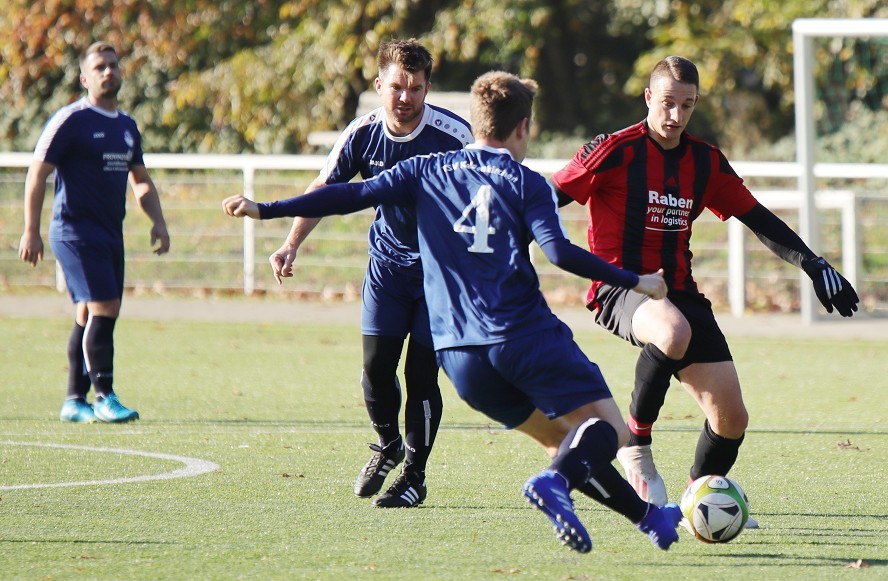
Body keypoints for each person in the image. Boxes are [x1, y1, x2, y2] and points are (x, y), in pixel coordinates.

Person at [223, 71, 683, 553]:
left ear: (476, 120)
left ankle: (650, 519)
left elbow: (349, 195)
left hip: (459, 356)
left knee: (562, 444)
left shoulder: (427, 169)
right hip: (521, 335)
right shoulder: (529, 184)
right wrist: (639, 281)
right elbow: (560, 254)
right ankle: (553, 486)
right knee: (608, 432)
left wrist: (265, 209)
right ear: (523, 128)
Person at [552, 56, 859, 524]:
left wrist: (812, 263)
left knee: (731, 419)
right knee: (671, 332)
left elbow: (756, 217)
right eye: (669, 103)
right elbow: (548, 196)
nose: (676, 116)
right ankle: (635, 446)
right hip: (622, 287)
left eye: (688, 106)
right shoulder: (614, 150)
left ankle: (701, 500)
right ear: (649, 98)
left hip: (681, 291)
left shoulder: (704, 160)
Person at [267, 39, 473, 508]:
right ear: (380, 86)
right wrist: (290, 242)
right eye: (397, 87)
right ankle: (387, 445)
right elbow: (324, 189)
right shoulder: (362, 133)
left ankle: (415, 475)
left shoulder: (455, 136)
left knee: (422, 376)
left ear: (428, 89)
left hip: (441, 277)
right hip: (387, 269)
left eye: (416, 88)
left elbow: (491, 192)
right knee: (376, 369)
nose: (405, 97)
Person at [18, 42, 170, 423]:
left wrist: (159, 222)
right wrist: (30, 230)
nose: (108, 72)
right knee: (106, 308)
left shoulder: (126, 126)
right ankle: (104, 394)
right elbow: (38, 173)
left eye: (114, 66)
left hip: (109, 233)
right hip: (74, 232)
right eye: (100, 67)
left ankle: (74, 400)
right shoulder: (71, 120)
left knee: (89, 312)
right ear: (85, 77)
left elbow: (142, 181)